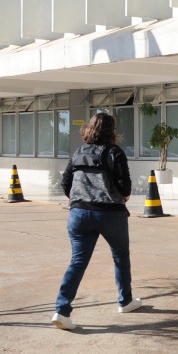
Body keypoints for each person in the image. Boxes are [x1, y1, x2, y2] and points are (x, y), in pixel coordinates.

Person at [52, 112, 143, 330]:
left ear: (89, 128)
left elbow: (65, 183)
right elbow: (125, 186)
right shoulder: (114, 152)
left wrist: (78, 198)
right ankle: (125, 301)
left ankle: (61, 311)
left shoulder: (78, 152)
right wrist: (124, 197)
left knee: (77, 261)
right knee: (120, 257)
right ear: (111, 131)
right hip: (110, 214)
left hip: (79, 214)